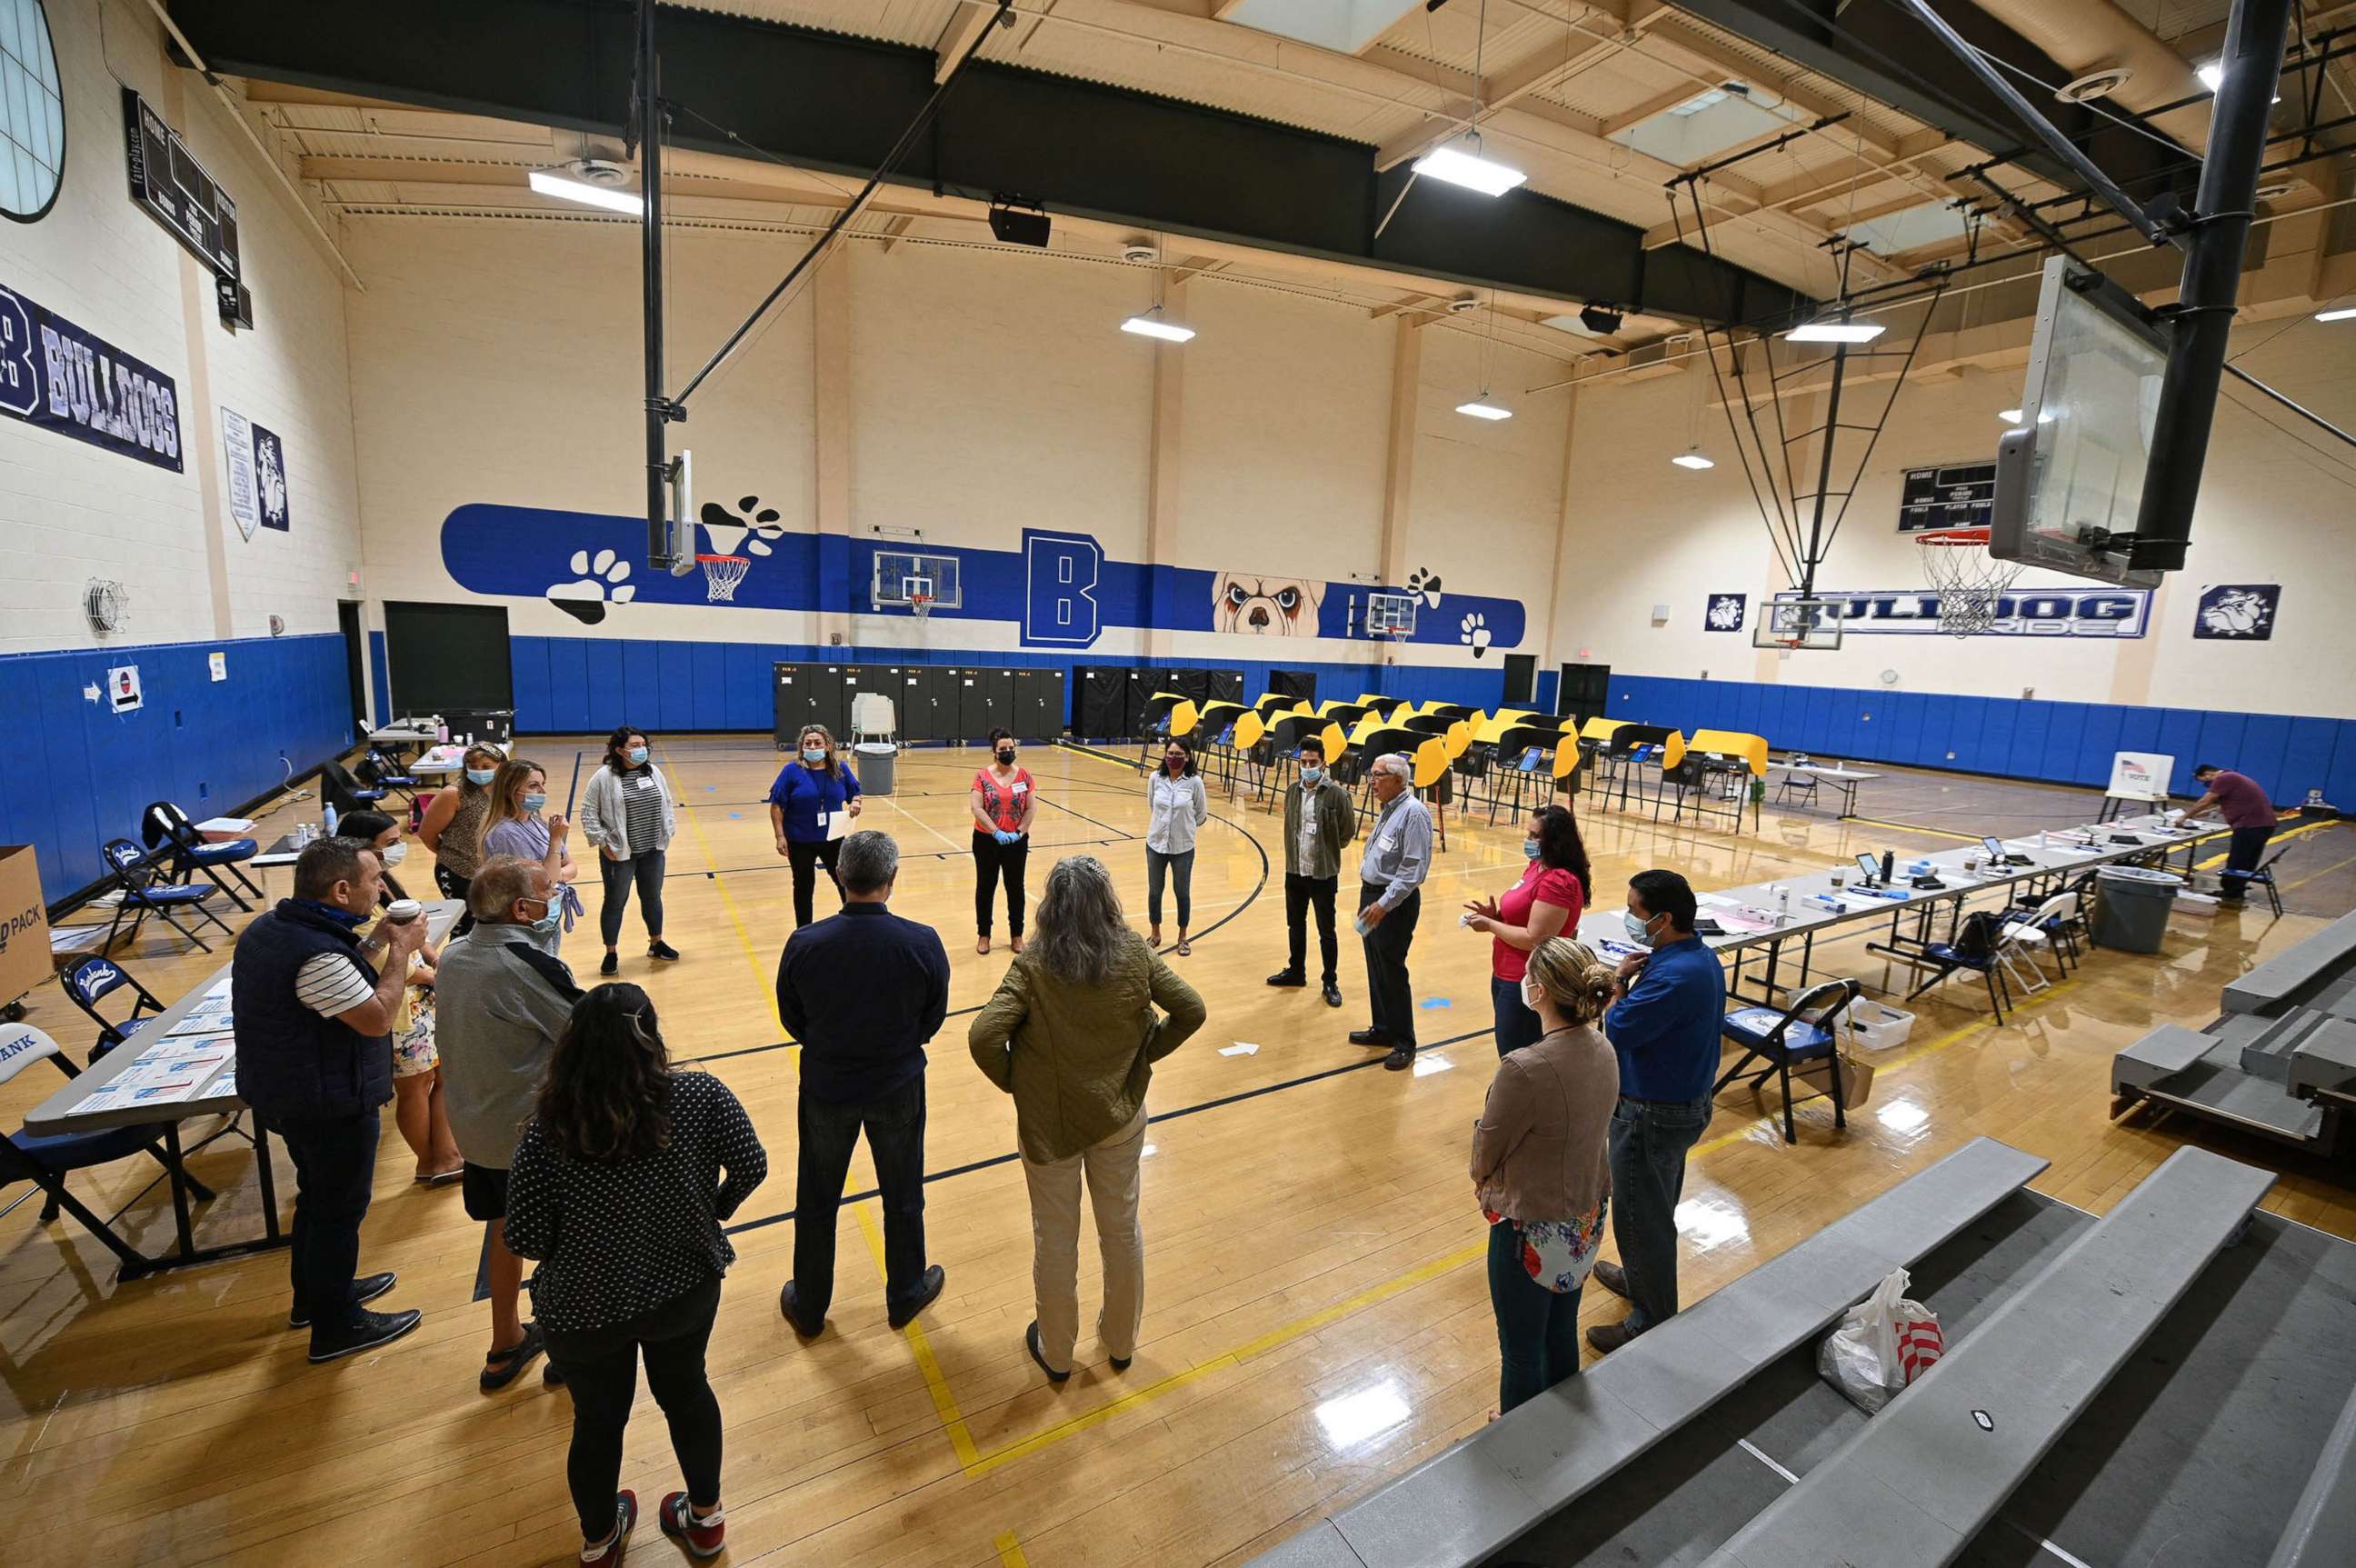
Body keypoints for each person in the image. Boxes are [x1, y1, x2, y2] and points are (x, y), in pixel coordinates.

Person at [505, 984, 767, 1567]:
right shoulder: (699, 1094)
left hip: (584, 1306)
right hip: (685, 1286)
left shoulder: (547, 1130)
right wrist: (711, 1210)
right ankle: (705, 1523)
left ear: (572, 1046)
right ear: (653, 1040)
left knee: (598, 1422)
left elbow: (522, 1237)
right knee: (688, 1394)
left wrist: (570, 1249)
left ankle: (600, 1544)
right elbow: (752, 1164)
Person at [969, 855, 1205, 1383]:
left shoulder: (1032, 966)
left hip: (1049, 1129)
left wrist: (1018, 1083)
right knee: (1121, 1231)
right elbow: (1191, 1008)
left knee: (1055, 1240)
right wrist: (1144, 1056)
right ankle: (1120, 1343)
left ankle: (1057, 1354)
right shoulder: (1135, 953)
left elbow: (983, 1036)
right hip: (1119, 1117)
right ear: (1108, 904)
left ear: (1051, 909)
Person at [230, 835, 425, 1362]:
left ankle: (316, 1298)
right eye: (373, 881)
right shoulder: (315, 953)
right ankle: (337, 1327)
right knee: (340, 1209)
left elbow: (338, 979)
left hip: (292, 1092)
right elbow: (376, 1017)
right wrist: (401, 952)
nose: (381, 889)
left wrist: (373, 943)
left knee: (317, 1200)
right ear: (341, 890)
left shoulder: (276, 930)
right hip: (326, 1101)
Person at [774, 831, 951, 1336]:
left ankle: (808, 1306)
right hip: (897, 1086)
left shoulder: (805, 943)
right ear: (891, 881)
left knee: (817, 1196)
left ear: (838, 877)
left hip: (827, 1087)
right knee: (903, 1194)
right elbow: (932, 1017)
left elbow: (793, 1018)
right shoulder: (921, 942)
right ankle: (905, 1292)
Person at [434, 854, 584, 1392]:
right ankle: (570, 1350)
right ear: (524, 909)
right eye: (548, 889)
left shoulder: (454, 956)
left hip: (477, 1126)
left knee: (504, 1229)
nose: (555, 893)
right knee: (568, 1241)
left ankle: (505, 1340)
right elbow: (585, 1028)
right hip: (530, 1133)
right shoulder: (522, 966)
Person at [1472, 938, 1619, 1415]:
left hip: (1531, 1228)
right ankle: (1560, 1417)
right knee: (1560, 1329)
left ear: (1537, 993)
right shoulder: (1603, 1045)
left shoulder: (1525, 1067)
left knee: (1519, 1348)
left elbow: (1485, 1153)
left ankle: (1520, 1436)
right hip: (1585, 1215)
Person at [1587, 869, 1726, 1354]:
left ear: (1663, 919)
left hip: (1652, 1111)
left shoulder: (1673, 975)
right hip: (1681, 1101)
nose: (1629, 918)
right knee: (1654, 1205)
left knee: (1638, 1212)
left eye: (1635, 911)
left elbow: (1618, 1029)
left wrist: (1620, 983)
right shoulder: (1695, 956)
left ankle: (1651, 1317)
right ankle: (1642, 1277)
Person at [338, 811, 461, 1184]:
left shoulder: (381, 883)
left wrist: (436, 961)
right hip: (398, 1006)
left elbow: (412, 929)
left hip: (421, 999)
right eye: (390, 843)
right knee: (414, 1087)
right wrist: (426, 974)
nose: (397, 848)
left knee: (443, 1076)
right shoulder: (353, 901)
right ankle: (429, 1161)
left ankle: (447, 1152)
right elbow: (370, 955)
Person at [1463, 805, 1592, 1058]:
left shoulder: (1559, 880)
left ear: (1554, 841)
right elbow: (1523, 917)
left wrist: (1490, 926)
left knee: (1518, 1056)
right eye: (1529, 834)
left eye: (1535, 836)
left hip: (1528, 979)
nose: (1528, 840)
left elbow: (1536, 939)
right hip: (1505, 972)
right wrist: (1497, 916)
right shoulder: (1536, 866)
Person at [576, 724, 682, 977]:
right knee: (615, 902)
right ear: (619, 750)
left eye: (644, 745)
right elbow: (588, 813)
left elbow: (666, 802)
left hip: (652, 850)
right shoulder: (603, 777)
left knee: (652, 897)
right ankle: (611, 952)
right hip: (619, 854)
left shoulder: (654, 772)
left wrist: (668, 831)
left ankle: (656, 943)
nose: (641, 750)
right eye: (635, 746)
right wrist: (603, 843)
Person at [1351, 753, 1433, 1072]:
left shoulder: (1414, 814)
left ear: (1399, 779)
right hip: (1371, 897)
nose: (1372, 782)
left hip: (1391, 905)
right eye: (1372, 774)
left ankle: (1404, 1041)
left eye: (1378, 775)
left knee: (1392, 970)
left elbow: (1413, 871)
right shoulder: (1389, 810)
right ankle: (1382, 1028)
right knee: (1375, 966)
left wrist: (1383, 905)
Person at [1268, 735, 1353, 1008]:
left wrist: (1327, 851)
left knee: (1326, 930)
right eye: (1303, 761)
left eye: (1312, 762)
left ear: (1323, 763)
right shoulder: (1293, 791)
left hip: (1323, 874)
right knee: (1295, 924)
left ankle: (1330, 980)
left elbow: (1346, 832)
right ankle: (1297, 971)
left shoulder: (1337, 794)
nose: (1307, 766)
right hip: (1295, 871)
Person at [767, 724, 864, 928]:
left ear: (827, 745)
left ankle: (854, 924)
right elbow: (776, 806)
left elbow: (855, 792)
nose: (812, 747)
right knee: (803, 886)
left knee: (844, 882)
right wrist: (780, 836)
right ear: (801, 747)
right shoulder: (791, 772)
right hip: (800, 840)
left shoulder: (840, 769)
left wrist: (856, 802)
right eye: (807, 743)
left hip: (833, 838)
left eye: (817, 743)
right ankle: (803, 930)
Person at [480, 756, 581, 944]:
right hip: (525, 921)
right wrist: (556, 839)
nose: (542, 791)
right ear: (511, 790)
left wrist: (555, 874)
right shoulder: (505, 834)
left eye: (543, 784)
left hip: (546, 913)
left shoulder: (536, 821)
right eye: (534, 786)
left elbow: (571, 866)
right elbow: (545, 882)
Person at [418, 742, 504, 936]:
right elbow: (427, 834)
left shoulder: (504, 792)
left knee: (491, 925)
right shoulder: (454, 793)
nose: (478, 771)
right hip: (458, 871)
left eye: (486, 767)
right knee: (464, 927)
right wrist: (456, 855)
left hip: (492, 873)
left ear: (501, 766)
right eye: (472, 766)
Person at [970, 727, 1036, 956]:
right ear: (994, 752)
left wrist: (1019, 832)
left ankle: (1016, 935)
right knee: (986, 887)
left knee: (1015, 887)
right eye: (1003, 749)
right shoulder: (982, 777)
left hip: (1016, 842)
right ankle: (984, 934)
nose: (1007, 752)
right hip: (986, 840)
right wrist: (996, 831)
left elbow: (1030, 808)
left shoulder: (1025, 777)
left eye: (1011, 748)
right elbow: (977, 808)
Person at [1143, 738, 1209, 955]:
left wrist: (1184, 828)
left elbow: (1201, 814)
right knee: (1155, 891)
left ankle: (1183, 937)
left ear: (1188, 757)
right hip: (1156, 845)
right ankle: (1155, 933)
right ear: (1164, 755)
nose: (1174, 758)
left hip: (1183, 848)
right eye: (1170, 753)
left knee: (1182, 892)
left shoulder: (1195, 782)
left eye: (1179, 754)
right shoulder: (1155, 778)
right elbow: (1152, 804)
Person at [2182, 762, 2279, 904]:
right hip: (2264, 824)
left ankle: (2231, 892)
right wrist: (2194, 815)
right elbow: (2220, 808)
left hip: (2250, 824)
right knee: (2248, 859)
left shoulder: (2224, 778)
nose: (2208, 786)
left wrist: (2184, 817)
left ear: (2209, 774)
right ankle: (2237, 889)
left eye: (2206, 782)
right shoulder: (2235, 778)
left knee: (2238, 859)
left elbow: (2206, 801)